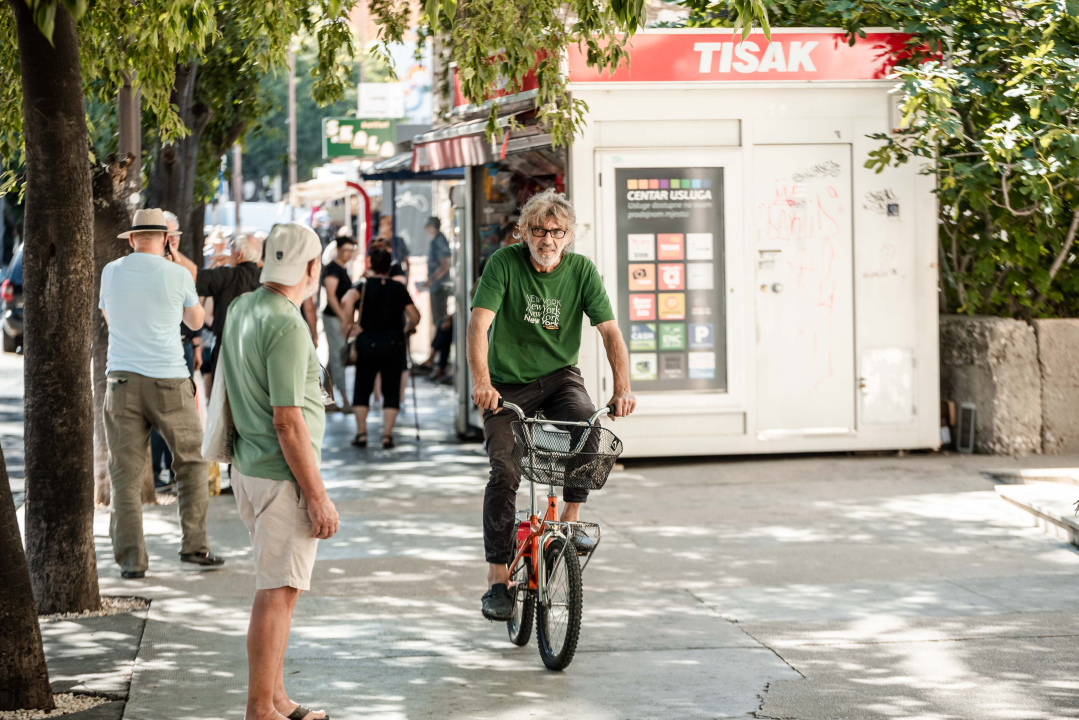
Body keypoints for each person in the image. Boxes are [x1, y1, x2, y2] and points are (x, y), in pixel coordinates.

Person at [467, 189, 637, 620]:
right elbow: (478, 325)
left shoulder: (581, 271)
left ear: (569, 235)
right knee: (504, 469)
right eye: (539, 230)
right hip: (505, 385)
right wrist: (483, 384)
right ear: (523, 231)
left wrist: (623, 388)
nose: (547, 239)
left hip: (560, 378)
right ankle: (497, 580)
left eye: (557, 231)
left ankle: (571, 518)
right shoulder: (504, 264)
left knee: (590, 427)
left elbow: (610, 332)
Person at [220, 222, 339, 720]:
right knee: (277, 593)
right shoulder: (288, 324)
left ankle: (274, 698)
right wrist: (317, 495)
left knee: (280, 590)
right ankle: (259, 709)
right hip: (281, 475)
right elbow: (288, 421)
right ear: (311, 269)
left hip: (251, 468)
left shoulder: (243, 307)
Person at [99, 208, 225, 579]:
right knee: (191, 463)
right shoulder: (177, 273)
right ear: (167, 241)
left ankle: (131, 562)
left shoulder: (111, 272)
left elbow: (110, 319)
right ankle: (194, 546)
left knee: (124, 474)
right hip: (169, 379)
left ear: (133, 239)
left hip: (121, 381)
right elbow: (196, 321)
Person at [340, 247, 420, 449]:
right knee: (391, 390)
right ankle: (386, 436)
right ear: (389, 266)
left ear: (370, 264)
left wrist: (350, 325)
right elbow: (415, 316)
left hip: (367, 341)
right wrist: (407, 329)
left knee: (362, 387)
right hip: (394, 342)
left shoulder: (363, 284)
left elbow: (346, 300)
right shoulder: (397, 287)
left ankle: (361, 434)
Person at [151, 212, 203, 488]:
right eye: (167, 236)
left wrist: (195, 345)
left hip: (181, 345)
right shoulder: (150, 264)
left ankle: (173, 472)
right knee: (157, 415)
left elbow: (192, 278)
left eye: (175, 236)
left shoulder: (179, 265)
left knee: (181, 412)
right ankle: (155, 472)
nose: (172, 241)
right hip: (158, 350)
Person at [195, 233, 263, 392]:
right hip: (257, 348)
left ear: (238, 254)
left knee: (224, 396)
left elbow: (196, 277)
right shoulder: (265, 277)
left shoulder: (226, 275)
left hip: (227, 347)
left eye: (231, 249)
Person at [321, 236, 356, 412]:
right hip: (334, 319)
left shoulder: (343, 269)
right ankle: (344, 400)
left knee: (334, 361)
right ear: (339, 250)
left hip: (342, 319)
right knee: (338, 359)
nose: (349, 254)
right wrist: (343, 318)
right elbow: (331, 296)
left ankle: (326, 400)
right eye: (346, 250)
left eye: (352, 250)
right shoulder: (332, 269)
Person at [417, 216, 452, 325]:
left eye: (428, 226)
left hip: (439, 287)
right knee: (437, 318)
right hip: (436, 286)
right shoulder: (436, 240)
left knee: (439, 319)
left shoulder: (439, 241)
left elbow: (445, 265)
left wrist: (431, 280)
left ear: (432, 227)